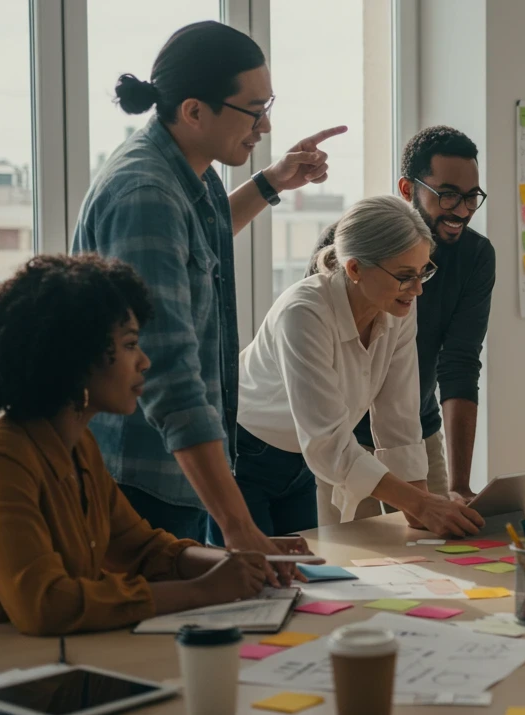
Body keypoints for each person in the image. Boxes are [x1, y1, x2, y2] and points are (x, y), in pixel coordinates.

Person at [72, 21, 345, 559]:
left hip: (173, 473)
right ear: (195, 111)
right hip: (142, 476)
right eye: (253, 109)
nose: (265, 125)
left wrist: (272, 181)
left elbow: (203, 238)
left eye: (269, 105)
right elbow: (168, 372)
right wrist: (239, 527)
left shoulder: (189, 177)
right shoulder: (146, 191)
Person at [0, 256, 284, 637]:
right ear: (75, 357)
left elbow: (145, 550)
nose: (144, 361)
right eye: (130, 344)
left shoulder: (79, 447)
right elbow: (46, 604)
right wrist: (203, 590)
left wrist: (242, 564)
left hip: (51, 665)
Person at [235, 196, 484, 539]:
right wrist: (423, 504)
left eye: (423, 272)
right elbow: (327, 442)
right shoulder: (304, 313)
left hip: (302, 463)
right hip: (245, 456)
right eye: (404, 276)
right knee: (255, 576)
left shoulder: (399, 307)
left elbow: (399, 418)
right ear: (354, 269)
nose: (417, 289)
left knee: (302, 571)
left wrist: (419, 509)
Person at [311, 127, 496, 525]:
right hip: (342, 437)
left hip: (416, 428)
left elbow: (460, 364)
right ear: (407, 189)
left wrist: (460, 485)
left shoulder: (476, 256)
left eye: (471, 197)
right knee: (356, 557)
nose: (462, 210)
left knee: (438, 548)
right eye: (448, 194)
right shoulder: (348, 241)